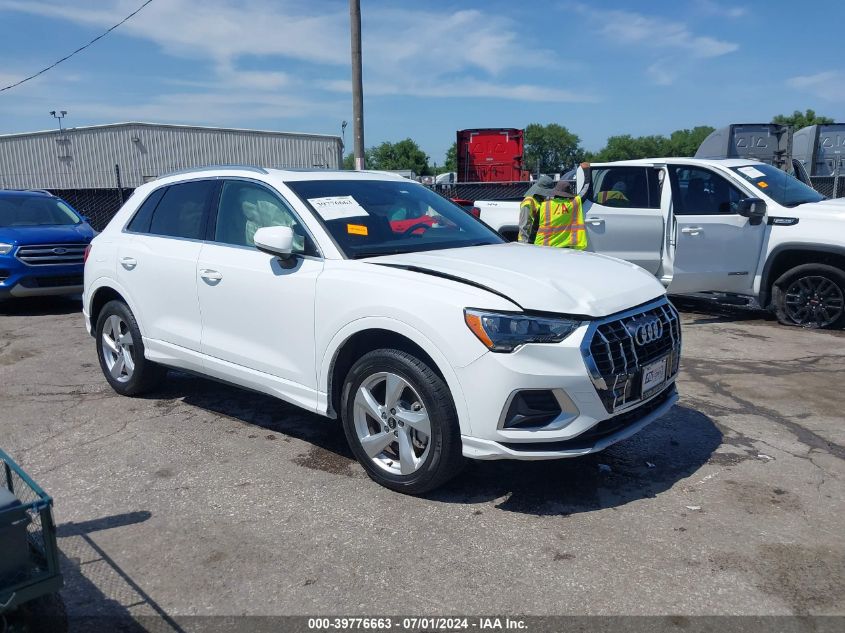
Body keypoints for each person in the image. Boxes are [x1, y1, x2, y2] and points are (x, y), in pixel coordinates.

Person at [518, 162, 591, 249]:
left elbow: (535, 228)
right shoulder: (572, 204)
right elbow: (524, 227)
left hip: (541, 244)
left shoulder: (545, 206)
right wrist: (524, 246)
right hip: (530, 244)